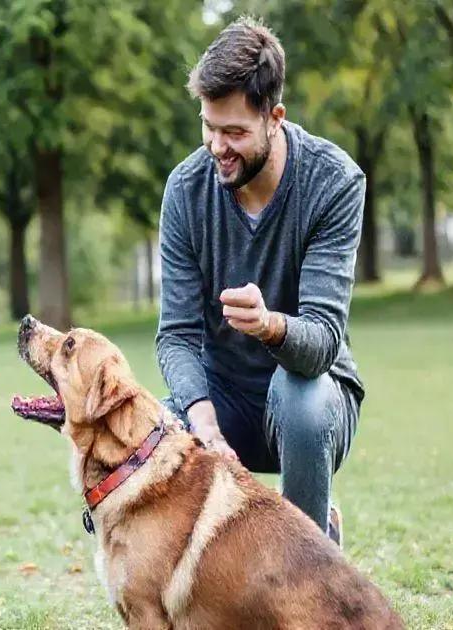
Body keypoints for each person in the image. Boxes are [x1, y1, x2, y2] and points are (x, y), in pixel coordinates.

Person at [155, 17, 366, 547]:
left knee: (303, 400)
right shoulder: (185, 190)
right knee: (157, 431)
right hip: (221, 401)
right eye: (208, 126)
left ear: (275, 118)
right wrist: (202, 426)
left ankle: (310, 553)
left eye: (235, 132)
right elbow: (176, 335)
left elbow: (321, 343)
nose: (217, 146)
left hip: (312, 405)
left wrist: (270, 325)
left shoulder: (334, 182)